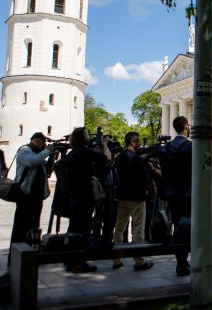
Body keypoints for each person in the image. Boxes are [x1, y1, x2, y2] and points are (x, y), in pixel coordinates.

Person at [64, 127, 111, 273]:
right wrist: (104, 145)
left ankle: (70, 259)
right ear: (85, 138)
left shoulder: (72, 153)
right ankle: (79, 262)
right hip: (85, 195)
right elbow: (108, 159)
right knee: (84, 229)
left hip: (73, 195)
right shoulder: (85, 152)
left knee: (73, 228)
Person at [9, 132, 57, 266]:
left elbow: (47, 171)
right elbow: (31, 162)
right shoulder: (24, 150)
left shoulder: (39, 154)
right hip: (24, 194)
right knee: (20, 226)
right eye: (43, 142)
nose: (45, 144)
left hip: (36, 196)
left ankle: (31, 254)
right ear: (35, 140)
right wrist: (47, 152)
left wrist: (52, 157)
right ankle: (13, 257)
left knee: (33, 226)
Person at [112, 131, 154, 271]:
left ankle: (117, 258)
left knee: (119, 228)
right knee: (138, 229)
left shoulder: (119, 158)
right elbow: (145, 178)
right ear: (132, 141)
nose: (139, 143)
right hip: (136, 197)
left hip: (122, 196)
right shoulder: (137, 159)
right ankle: (139, 260)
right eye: (137, 141)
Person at [158, 116, 192, 276]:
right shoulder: (191, 147)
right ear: (186, 126)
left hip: (171, 194)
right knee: (186, 229)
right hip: (188, 194)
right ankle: (183, 262)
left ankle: (181, 262)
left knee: (179, 227)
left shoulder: (164, 149)